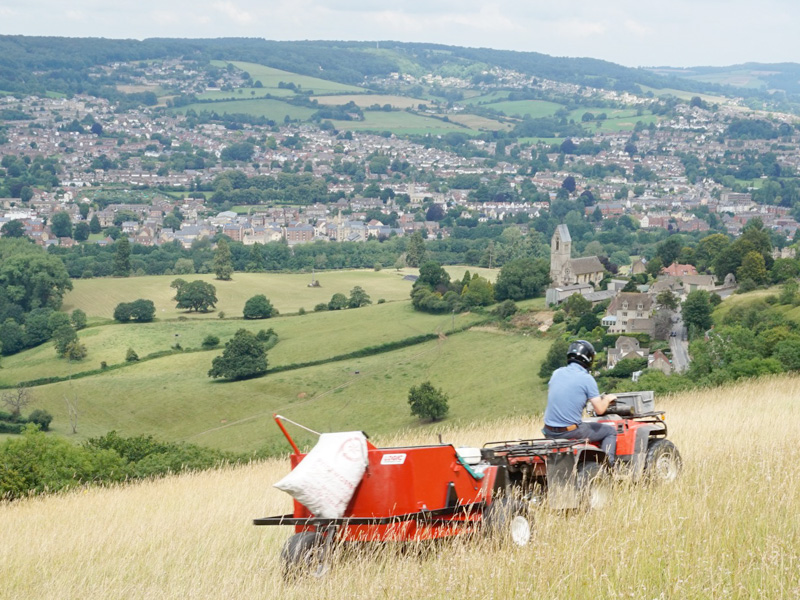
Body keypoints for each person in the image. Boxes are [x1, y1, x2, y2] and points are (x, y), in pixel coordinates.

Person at [542, 340, 618, 466]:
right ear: (588, 359)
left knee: (582, 424)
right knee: (610, 431)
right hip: (570, 432)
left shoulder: (556, 373)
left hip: (549, 431)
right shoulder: (587, 379)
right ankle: (608, 467)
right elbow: (600, 410)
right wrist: (608, 399)